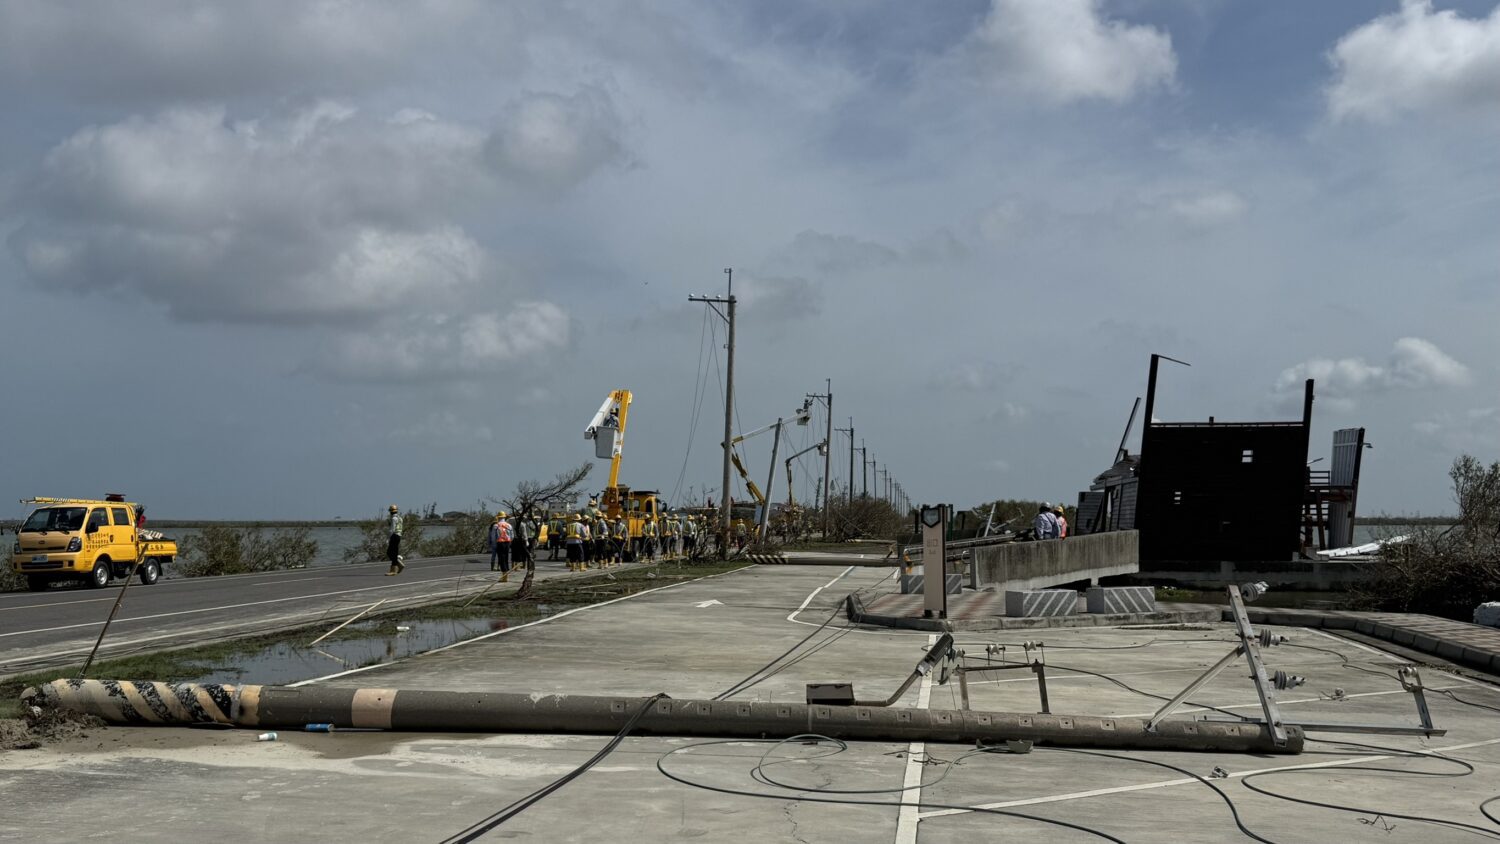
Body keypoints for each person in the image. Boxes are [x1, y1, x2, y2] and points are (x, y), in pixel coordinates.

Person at [492, 512, 513, 579]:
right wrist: (510, 542)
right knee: (506, 557)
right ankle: (506, 573)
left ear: (498, 517)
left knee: (501, 558)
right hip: (507, 543)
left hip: (500, 543)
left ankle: (504, 575)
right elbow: (512, 536)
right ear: (504, 517)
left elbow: (493, 537)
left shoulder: (496, 526)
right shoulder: (509, 525)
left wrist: (494, 544)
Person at [386, 505, 405, 575]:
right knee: (394, 553)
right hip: (399, 536)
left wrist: (388, 538)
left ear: (391, 511)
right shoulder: (400, 518)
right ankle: (399, 565)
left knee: (390, 553)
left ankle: (393, 570)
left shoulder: (394, 518)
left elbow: (392, 529)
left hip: (394, 535)